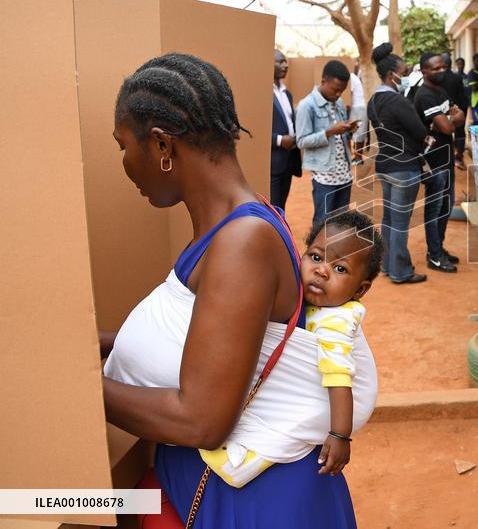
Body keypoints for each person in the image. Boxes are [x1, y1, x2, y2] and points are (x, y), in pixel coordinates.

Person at [102, 53, 374, 527]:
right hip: (220, 490)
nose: (125, 163)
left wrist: (73, 390)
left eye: (123, 146)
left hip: (254, 505)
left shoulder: (241, 242)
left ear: (163, 146)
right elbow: (209, 334)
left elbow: (202, 420)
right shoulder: (227, 225)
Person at [302, 210, 383, 481]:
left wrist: (339, 435)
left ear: (360, 291)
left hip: (337, 412)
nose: (322, 271)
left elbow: (338, 378)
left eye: (340, 268)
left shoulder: (335, 321)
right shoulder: (308, 300)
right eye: (315, 256)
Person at [367, 42, 432, 284]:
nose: (406, 77)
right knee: (401, 222)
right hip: (404, 167)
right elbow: (419, 131)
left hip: (384, 165)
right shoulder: (399, 102)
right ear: (392, 75)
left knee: (389, 219)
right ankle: (401, 271)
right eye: (404, 73)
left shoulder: (373, 101)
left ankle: (386, 264)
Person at [414, 51, 465, 273]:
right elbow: (447, 127)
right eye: (436, 68)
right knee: (434, 209)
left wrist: (449, 119)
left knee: (445, 207)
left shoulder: (441, 91)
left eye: (444, 67)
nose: (442, 71)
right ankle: (433, 255)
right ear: (424, 71)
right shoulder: (424, 95)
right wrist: (449, 120)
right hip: (433, 161)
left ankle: (439, 248)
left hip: (446, 158)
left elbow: (459, 117)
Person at [296, 60, 360, 229]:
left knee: (341, 223)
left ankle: (335, 255)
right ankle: (318, 255)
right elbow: (301, 141)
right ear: (324, 81)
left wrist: (348, 130)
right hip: (324, 175)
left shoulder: (337, 103)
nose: (339, 94)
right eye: (335, 89)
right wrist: (329, 131)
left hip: (344, 173)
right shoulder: (306, 106)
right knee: (322, 223)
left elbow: (339, 134)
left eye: (342, 90)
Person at [271, 49, 301, 209]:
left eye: (285, 61)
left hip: (289, 159)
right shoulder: (262, 93)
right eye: (280, 61)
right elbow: (255, 131)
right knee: (273, 209)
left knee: (281, 206)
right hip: (273, 161)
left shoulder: (286, 94)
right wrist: (279, 140)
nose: (285, 65)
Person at [440, 53, 469, 170]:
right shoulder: (457, 78)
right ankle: (459, 157)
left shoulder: (438, 78)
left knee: (443, 133)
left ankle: (444, 158)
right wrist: (462, 111)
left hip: (442, 111)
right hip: (456, 110)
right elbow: (462, 96)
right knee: (460, 132)